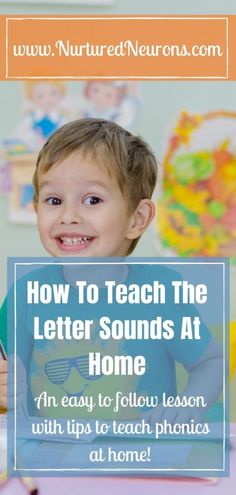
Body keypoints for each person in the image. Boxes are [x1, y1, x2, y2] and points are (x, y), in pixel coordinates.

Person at [0, 118, 222, 427]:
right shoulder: (24, 296)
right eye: (53, 200)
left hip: (144, 460)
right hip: (52, 464)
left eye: (92, 200)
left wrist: (187, 406)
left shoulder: (163, 292)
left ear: (137, 218)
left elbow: (211, 362)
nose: (68, 216)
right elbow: (7, 388)